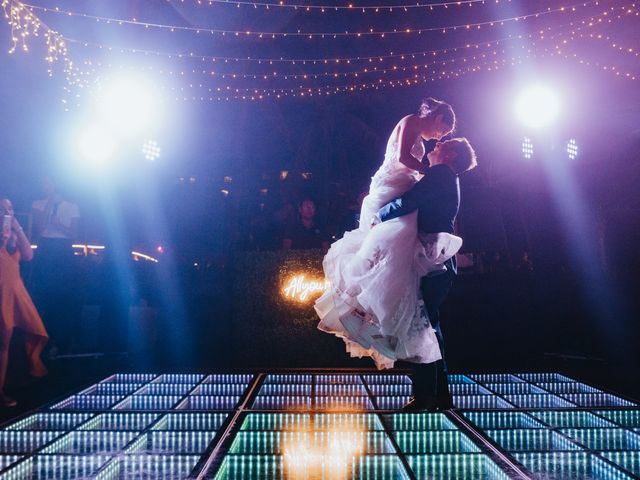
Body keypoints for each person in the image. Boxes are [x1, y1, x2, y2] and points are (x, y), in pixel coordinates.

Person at [314, 97, 456, 369]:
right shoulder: (412, 121)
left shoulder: (421, 135)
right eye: (442, 130)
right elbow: (403, 157)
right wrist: (430, 173)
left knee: (393, 252)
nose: (440, 136)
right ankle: (375, 308)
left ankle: (384, 309)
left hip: (399, 186)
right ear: (438, 117)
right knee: (391, 243)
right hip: (394, 186)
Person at [377, 138, 478, 411]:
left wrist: (378, 213)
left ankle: (424, 398)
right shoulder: (448, 177)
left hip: (430, 261)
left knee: (419, 326)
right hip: (438, 262)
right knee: (430, 326)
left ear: (450, 154)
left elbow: (411, 201)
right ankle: (439, 395)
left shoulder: (441, 173)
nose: (432, 148)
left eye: (438, 147)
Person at [0, 198, 49, 407]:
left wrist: (17, 227)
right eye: (3, 208)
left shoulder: (13, 234)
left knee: (3, 343)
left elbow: (28, 255)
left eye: (10, 207)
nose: (7, 210)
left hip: (11, 294)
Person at [31, 176, 80, 354]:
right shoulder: (38, 204)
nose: (46, 186)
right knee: (44, 291)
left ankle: (64, 339)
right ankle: (44, 339)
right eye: (44, 183)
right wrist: (50, 203)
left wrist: (59, 224)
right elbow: (40, 228)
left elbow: (74, 233)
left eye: (49, 183)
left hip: (63, 249)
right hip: (46, 247)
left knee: (63, 292)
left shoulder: (71, 205)